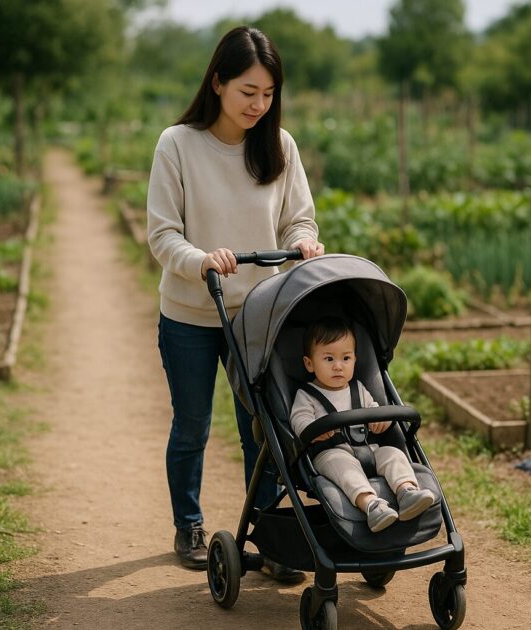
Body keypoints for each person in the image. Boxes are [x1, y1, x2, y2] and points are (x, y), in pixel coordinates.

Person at [147, 25, 323, 579]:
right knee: (193, 424)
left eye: (268, 94)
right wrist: (200, 258)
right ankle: (190, 525)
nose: (259, 104)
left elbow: (300, 216)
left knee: (265, 425)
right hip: (192, 314)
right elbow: (162, 234)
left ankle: (271, 534)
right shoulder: (177, 144)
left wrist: (302, 242)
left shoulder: (280, 145)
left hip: (260, 315)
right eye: (248, 91)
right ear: (218, 83)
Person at [290, 317, 436, 533]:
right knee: (344, 468)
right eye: (329, 359)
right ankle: (372, 506)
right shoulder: (307, 395)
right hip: (330, 454)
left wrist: (381, 421)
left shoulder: (358, 389)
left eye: (346, 358)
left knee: (393, 454)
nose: (338, 366)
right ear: (309, 364)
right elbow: (299, 420)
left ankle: (407, 492)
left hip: (369, 451)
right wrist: (313, 430)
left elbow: (375, 410)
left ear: (355, 360)